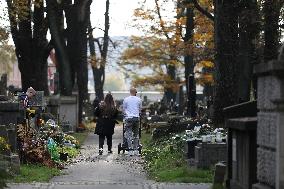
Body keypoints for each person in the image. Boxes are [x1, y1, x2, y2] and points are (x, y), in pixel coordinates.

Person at [123, 87, 142, 156]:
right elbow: (140, 109)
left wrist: (125, 116)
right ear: (135, 92)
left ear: (130, 92)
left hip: (129, 118)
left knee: (129, 134)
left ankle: (130, 150)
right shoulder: (139, 99)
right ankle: (136, 150)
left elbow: (124, 110)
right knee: (136, 134)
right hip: (136, 118)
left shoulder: (126, 99)